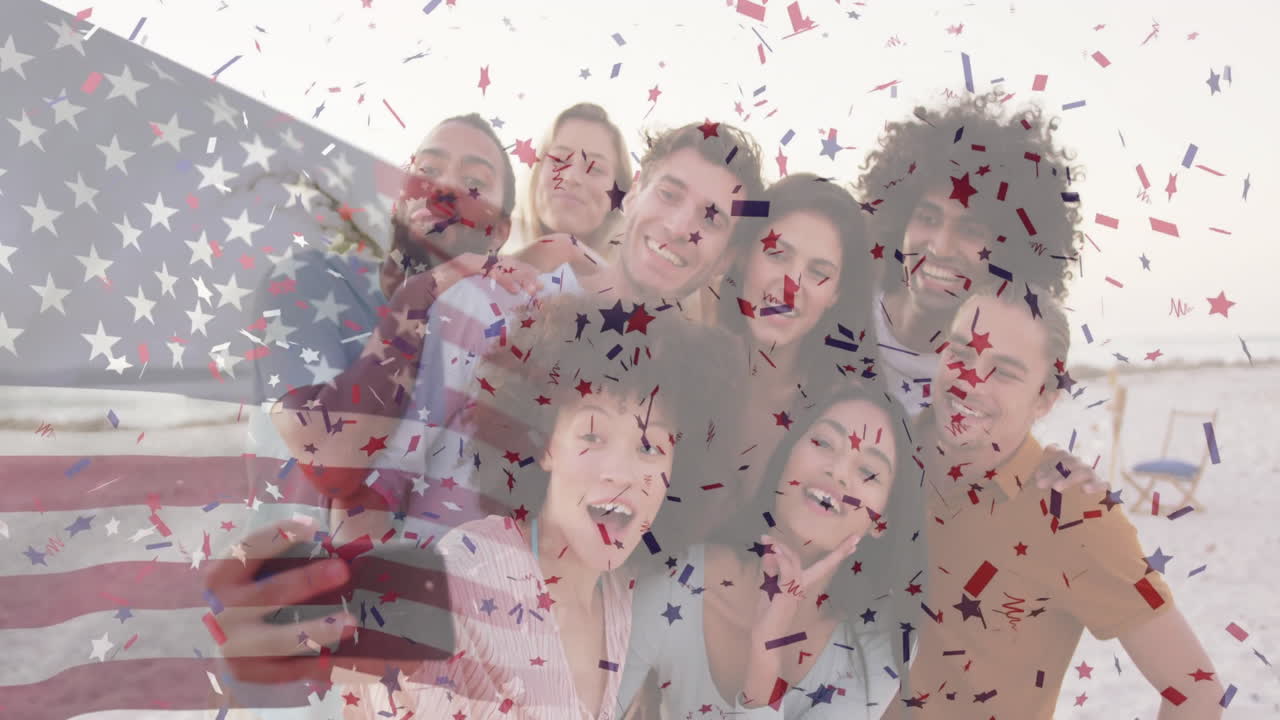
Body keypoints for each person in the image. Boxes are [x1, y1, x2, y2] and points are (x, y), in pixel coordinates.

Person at [335, 294, 743, 719]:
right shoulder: (463, 582)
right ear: (544, 444)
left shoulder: (617, 593)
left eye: (650, 446)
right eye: (592, 436)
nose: (622, 473)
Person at [883, 287, 1223, 718]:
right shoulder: (872, 451)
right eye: (962, 353)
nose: (970, 381)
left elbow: (1196, 691)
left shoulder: (1071, 508)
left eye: (1003, 372)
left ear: (1044, 398)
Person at [619, 382, 920, 719]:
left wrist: (766, 654)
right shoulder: (674, 579)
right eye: (823, 443)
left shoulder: (879, 640)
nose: (837, 471)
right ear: (787, 456)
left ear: (882, 522)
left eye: (868, 472)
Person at [708, 173, 877, 516]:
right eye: (778, 254)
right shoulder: (680, 365)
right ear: (743, 256)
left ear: (837, 294)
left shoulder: (846, 417)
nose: (791, 287)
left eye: (819, 272)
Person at [513, 102, 634, 270]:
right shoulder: (482, 272)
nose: (571, 177)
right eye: (559, 160)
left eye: (595, 168)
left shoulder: (633, 292)